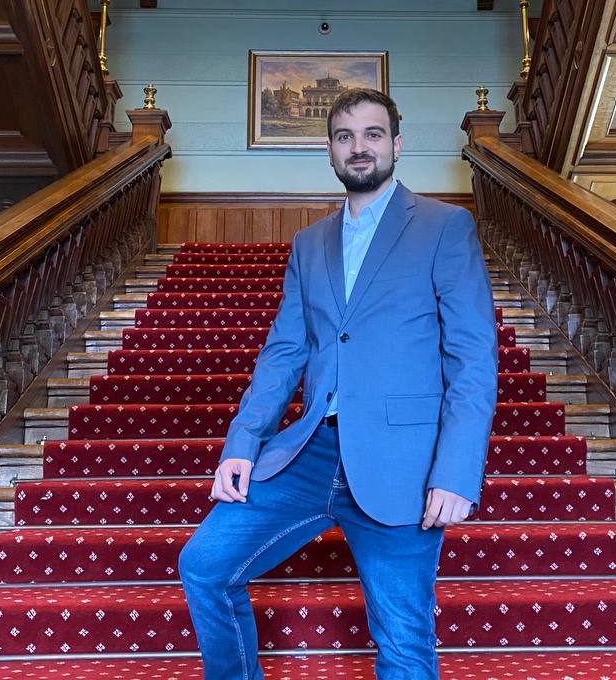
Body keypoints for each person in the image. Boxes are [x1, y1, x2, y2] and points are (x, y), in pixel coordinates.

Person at [178, 87, 498, 680]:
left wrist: (455, 472)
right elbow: (284, 352)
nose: (360, 148)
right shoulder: (309, 243)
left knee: (403, 638)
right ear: (329, 150)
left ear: (396, 145)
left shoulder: (444, 227)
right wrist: (242, 445)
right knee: (205, 565)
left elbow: (473, 357)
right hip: (310, 450)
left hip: (401, 460)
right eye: (345, 137)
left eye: (373, 135)